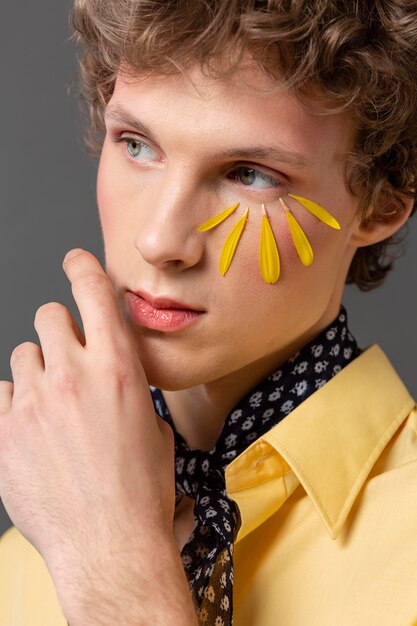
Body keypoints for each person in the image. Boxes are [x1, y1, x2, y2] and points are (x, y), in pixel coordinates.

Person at [0, 0, 416, 624]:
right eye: (137, 145)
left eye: (250, 173)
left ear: (380, 204)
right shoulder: (27, 559)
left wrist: (117, 570)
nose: (160, 241)